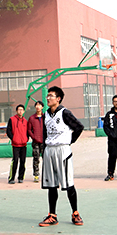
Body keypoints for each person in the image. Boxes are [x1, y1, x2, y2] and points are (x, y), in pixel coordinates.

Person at [38, 86, 84, 227]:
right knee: (51, 185)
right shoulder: (45, 115)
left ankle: (75, 213)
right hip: (49, 150)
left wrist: (69, 141)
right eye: (47, 96)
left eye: (51, 96)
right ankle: (52, 215)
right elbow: (45, 133)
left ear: (58, 99)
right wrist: (44, 149)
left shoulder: (65, 113)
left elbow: (79, 127)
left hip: (62, 150)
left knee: (68, 183)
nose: (48, 98)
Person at [7, 104, 29, 184]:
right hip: (15, 145)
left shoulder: (25, 121)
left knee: (23, 161)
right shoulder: (12, 119)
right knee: (15, 161)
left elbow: (27, 132)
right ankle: (11, 178)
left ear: (24, 111)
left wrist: (26, 139)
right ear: (16, 111)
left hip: (23, 144)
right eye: (19, 110)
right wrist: (13, 138)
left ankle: (21, 177)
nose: (20, 111)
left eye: (22, 110)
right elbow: (8, 131)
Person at [27, 101, 45, 183]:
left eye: (39, 105)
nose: (38, 107)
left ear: (42, 107)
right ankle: (36, 175)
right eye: (36, 105)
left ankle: (46, 175)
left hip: (44, 142)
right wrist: (34, 137)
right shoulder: (31, 118)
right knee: (36, 159)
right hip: (35, 142)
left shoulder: (46, 117)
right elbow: (29, 130)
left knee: (46, 159)